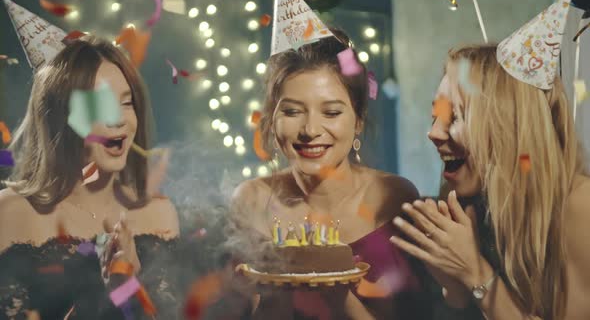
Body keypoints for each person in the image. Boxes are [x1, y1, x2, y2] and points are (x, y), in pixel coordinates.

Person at [228, 28, 426, 319]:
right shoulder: (251, 200)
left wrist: (336, 289)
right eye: (293, 112)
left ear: (358, 120)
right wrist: (277, 283)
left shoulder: (394, 198)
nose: (310, 131)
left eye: (331, 113)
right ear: (272, 119)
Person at [391, 42, 590, 319]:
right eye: (437, 115)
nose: (434, 133)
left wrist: (475, 271)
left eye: (455, 116)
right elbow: (460, 307)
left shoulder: (581, 207)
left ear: (508, 124)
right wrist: (452, 282)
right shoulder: (470, 201)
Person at [0, 35, 180, 319]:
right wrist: (103, 295)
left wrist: (130, 290)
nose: (119, 119)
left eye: (127, 102)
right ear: (59, 117)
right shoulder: (10, 213)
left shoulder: (157, 214)